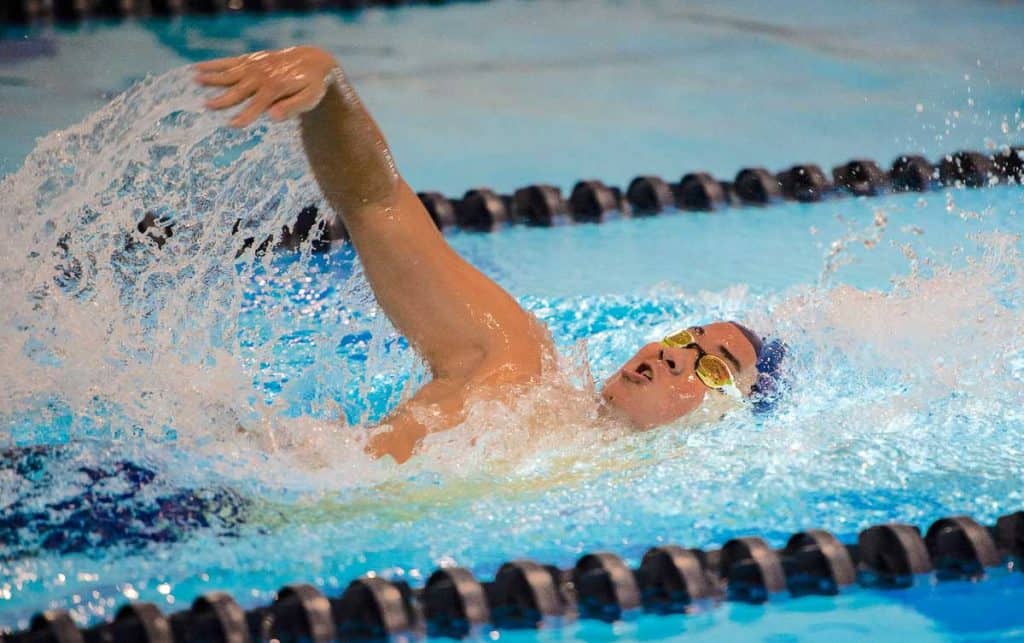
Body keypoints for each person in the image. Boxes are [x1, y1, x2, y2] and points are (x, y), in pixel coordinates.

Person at [193, 46, 774, 464]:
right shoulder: (515, 365)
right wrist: (329, 90)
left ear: (722, 420)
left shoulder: (630, 499)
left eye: (714, 367)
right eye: (685, 339)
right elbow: (376, 203)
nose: (678, 357)